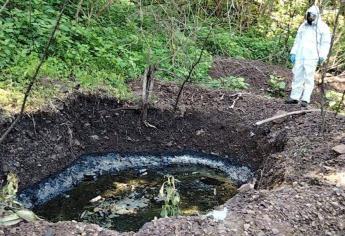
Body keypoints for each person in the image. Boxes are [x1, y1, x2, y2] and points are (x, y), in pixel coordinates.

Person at [285, 5, 331, 107]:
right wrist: (293, 52)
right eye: (309, 15)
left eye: (312, 16)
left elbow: (326, 43)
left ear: (317, 16)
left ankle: (305, 99)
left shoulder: (323, 27)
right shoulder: (303, 26)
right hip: (300, 54)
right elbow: (297, 41)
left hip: (313, 55)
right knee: (297, 75)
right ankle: (294, 97)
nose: (310, 18)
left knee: (308, 77)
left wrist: (322, 55)